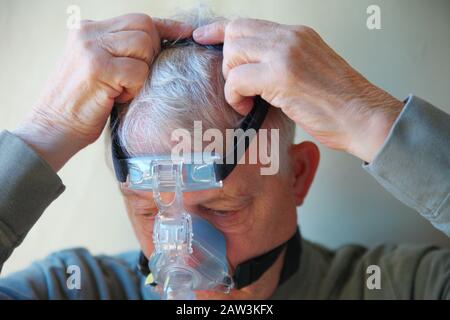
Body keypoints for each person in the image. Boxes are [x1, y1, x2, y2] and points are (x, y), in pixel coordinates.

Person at [0, 12, 448, 300]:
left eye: (220, 207)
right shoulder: (71, 290)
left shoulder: (403, 287)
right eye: (150, 210)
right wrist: (45, 130)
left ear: (298, 175)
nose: (184, 260)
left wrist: (367, 116)